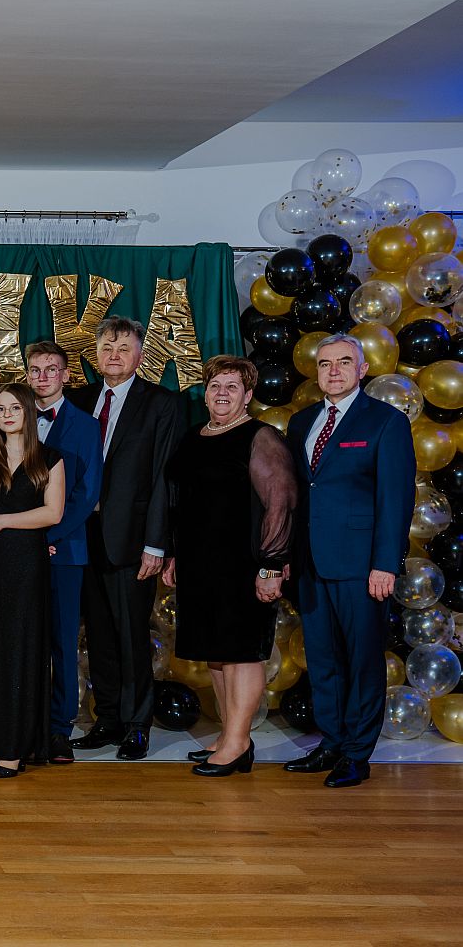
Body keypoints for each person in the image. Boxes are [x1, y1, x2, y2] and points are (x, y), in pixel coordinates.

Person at [285, 334, 413, 788]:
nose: (334, 371)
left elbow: (395, 499)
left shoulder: (385, 421)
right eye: (325, 364)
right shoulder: (301, 422)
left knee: (361, 661)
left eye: (344, 362)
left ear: (362, 369)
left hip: (361, 566)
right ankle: (332, 743)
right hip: (310, 562)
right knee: (323, 661)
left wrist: (386, 563)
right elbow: (298, 495)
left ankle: (357, 754)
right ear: (316, 371)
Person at [163, 355, 296, 777]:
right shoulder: (194, 437)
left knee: (241, 655)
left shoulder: (260, 437)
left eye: (232, 387)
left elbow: (280, 503)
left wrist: (271, 564)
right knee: (217, 656)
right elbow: (184, 502)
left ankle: (238, 743)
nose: (222, 393)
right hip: (201, 565)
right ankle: (229, 737)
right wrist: (175, 553)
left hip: (244, 565)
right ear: (205, 393)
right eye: (215, 385)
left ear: (248, 395)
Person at [67, 317, 181, 760]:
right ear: (96, 355)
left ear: (139, 355)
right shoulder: (79, 400)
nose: (114, 356)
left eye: (123, 348)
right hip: (83, 535)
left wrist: (156, 544)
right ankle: (108, 718)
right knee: (97, 633)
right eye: (107, 349)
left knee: (132, 634)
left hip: (132, 540)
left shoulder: (161, 403)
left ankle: (137, 724)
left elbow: (164, 477)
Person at [0, 383, 66, 778]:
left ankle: (16, 749)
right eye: (0, 409)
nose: (6, 415)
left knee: (23, 649)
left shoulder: (50, 458)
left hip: (27, 565)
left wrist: (5, 520)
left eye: (14, 408)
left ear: (29, 413)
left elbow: (53, 513)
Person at [26, 340, 103, 764]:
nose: (43, 377)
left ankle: (59, 727)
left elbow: (87, 493)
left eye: (51, 369)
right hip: (18, 550)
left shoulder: (86, 426)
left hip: (65, 549)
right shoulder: (13, 417)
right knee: (25, 639)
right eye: (35, 370)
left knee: (61, 640)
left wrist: (47, 534)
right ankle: (27, 723)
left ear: (66, 375)